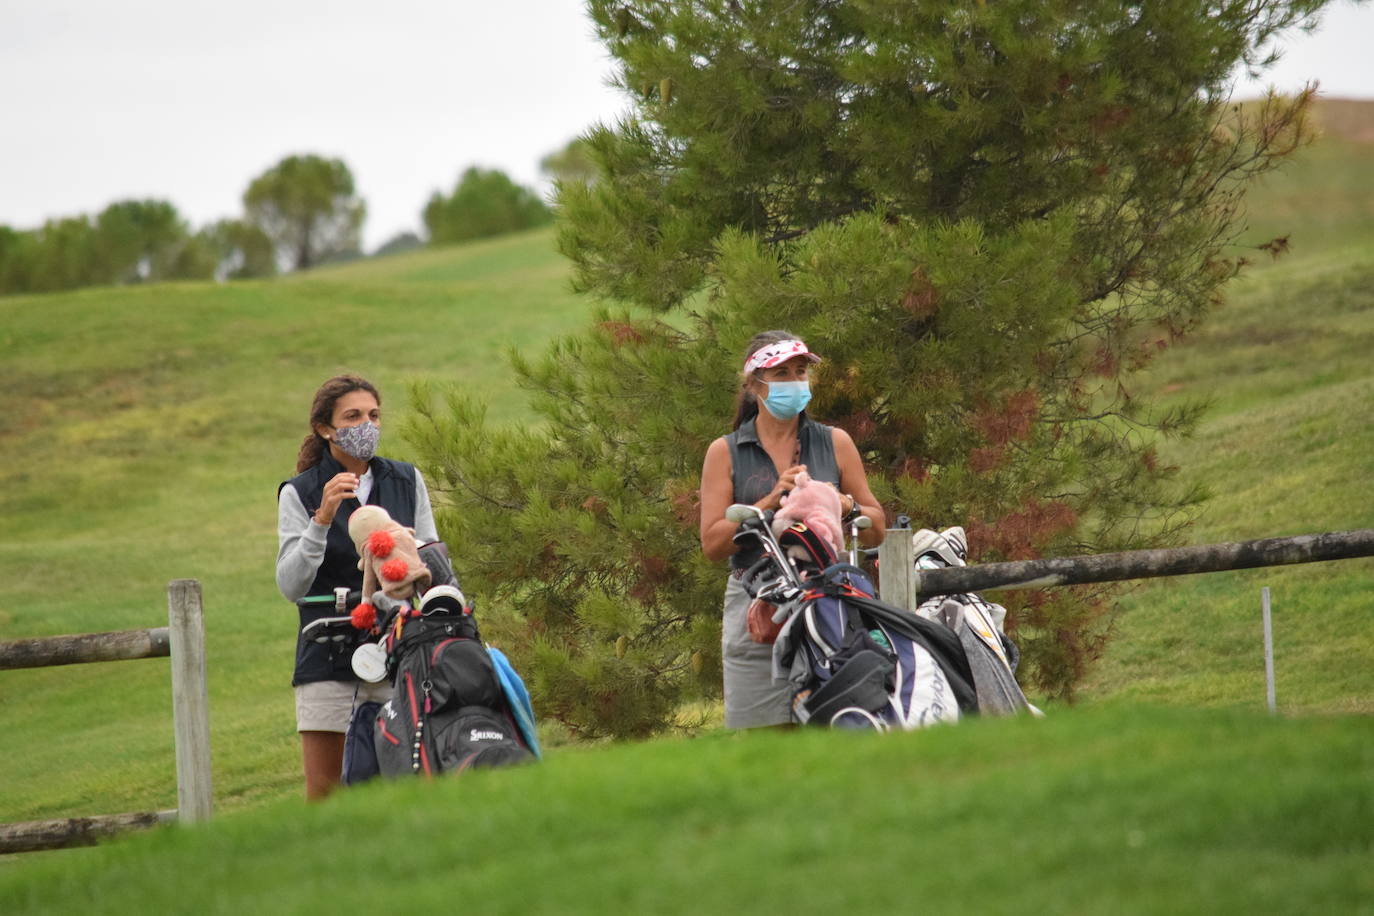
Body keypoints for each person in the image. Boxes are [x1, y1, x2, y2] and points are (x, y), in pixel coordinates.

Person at [699, 331, 886, 728]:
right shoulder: (725, 451)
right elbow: (713, 544)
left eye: (800, 372)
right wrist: (767, 503)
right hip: (756, 608)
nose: (794, 382)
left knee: (840, 725)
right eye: (780, 373)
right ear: (753, 385)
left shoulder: (835, 442)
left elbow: (876, 528)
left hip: (831, 604)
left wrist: (842, 504)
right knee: (762, 741)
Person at [276, 375, 438, 800]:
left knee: (413, 783)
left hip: (402, 647)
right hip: (327, 656)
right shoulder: (300, 492)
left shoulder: (406, 480)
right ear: (324, 429)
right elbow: (291, 585)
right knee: (326, 797)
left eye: (373, 415)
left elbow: (432, 560)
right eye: (352, 416)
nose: (366, 425)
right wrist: (322, 520)